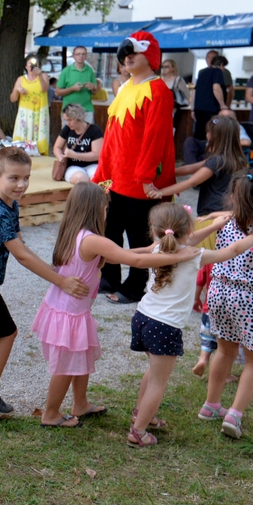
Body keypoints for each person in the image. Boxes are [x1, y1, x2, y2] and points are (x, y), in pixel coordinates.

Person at [32, 183, 198, 428]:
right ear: (95, 209)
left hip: (66, 310)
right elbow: (136, 260)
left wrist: (155, 249)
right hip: (69, 314)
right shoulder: (92, 240)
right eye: (105, 207)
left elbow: (120, 253)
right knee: (66, 366)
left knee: (80, 359)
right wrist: (177, 256)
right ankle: (51, 413)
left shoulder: (74, 232)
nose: (106, 212)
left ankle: (80, 404)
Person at [0, 147, 89, 417]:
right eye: (13, 178)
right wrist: (61, 281)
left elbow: (19, 241)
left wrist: (50, 268)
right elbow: (21, 255)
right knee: (7, 333)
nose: (21, 184)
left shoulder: (9, 203)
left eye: (26, 178)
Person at [125, 202, 253, 447]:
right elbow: (231, 251)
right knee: (159, 381)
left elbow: (188, 238)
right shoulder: (194, 256)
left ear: (155, 230)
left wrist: (215, 225)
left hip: (143, 318)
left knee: (153, 372)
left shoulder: (158, 247)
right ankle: (138, 432)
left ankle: (142, 413)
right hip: (165, 327)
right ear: (187, 229)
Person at [93, 31, 177, 304]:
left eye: (134, 53)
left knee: (138, 236)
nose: (128, 58)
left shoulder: (159, 91)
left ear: (150, 56)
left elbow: (156, 138)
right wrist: (101, 177)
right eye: (125, 55)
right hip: (117, 179)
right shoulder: (126, 87)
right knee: (110, 230)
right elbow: (111, 138)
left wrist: (145, 177)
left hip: (142, 184)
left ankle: (136, 285)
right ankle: (110, 277)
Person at [149, 117, 246, 221]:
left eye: (209, 131)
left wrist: (161, 192)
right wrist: (164, 173)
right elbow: (190, 168)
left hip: (212, 213)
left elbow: (191, 182)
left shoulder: (217, 161)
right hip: (226, 211)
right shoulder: (233, 158)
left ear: (214, 136)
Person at [52, 104, 104, 184]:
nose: (67, 123)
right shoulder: (67, 129)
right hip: (73, 166)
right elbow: (57, 147)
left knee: (97, 179)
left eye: (70, 120)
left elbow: (97, 154)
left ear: (79, 118)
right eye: (66, 120)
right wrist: (61, 158)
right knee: (80, 179)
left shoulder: (94, 130)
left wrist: (74, 155)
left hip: (92, 165)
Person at [10, 56, 50, 155]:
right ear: (25, 66)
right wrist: (17, 89)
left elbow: (44, 89)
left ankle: (41, 156)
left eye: (35, 63)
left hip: (40, 112)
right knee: (24, 134)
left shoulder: (43, 76)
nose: (32, 66)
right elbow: (13, 99)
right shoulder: (21, 79)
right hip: (25, 113)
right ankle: (21, 155)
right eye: (30, 63)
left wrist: (39, 75)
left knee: (40, 134)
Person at [57, 47, 99, 124]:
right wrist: (72, 89)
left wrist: (93, 87)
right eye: (78, 54)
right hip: (69, 110)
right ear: (74, 56)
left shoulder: (90, 70)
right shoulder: (66, 71)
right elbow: (57, 92)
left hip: (87, 110)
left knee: (87, 135)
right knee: (68, 135)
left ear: (86, 56)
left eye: (83, 54)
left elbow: (95, 92)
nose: (81, 56)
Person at [192, 50, 227, 135]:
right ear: (221, 65)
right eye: (224, 66)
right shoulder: (217, 72)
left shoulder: (202, 73)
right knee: (212, 132)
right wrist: (222, 105)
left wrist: (192, 109)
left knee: (200, 133)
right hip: (211, 109)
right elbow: (216, 88)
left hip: (199, 108)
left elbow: (194, 91)